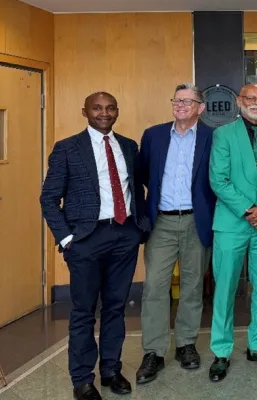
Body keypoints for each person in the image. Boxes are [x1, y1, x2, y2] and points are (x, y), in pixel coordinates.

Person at [40, 92, 148, 400]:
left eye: (110, 107)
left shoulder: (128, 146)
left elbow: (135, 189)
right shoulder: (66, 148)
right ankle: (82, 379)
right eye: (97, 108)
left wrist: (138, 228)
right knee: (84, 311)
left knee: (115, 307)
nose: (104, 113)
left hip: (124, 236)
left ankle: (111, 370)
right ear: (84, 111)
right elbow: (49, 199)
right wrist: (66, 238)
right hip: (85, 240)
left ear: (117, 111)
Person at [134, 83, 216, 383]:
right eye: (176, 100)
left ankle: (186, 344)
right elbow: (143, 176)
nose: (180, 105)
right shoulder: (154, 135)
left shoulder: (212, 137)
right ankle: (153, 351)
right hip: (162, 223)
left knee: (193, 285)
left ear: (200, 108)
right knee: (155, 287)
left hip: (197, 221)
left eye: (187, 101)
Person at [207, 84, 257, 382]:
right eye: (250, 98)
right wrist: (250, 211)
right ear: (239, 102)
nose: (256, 103)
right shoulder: (223, 134)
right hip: (232, 223)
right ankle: (221, 351)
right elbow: (218, 180)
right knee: (226, 288)